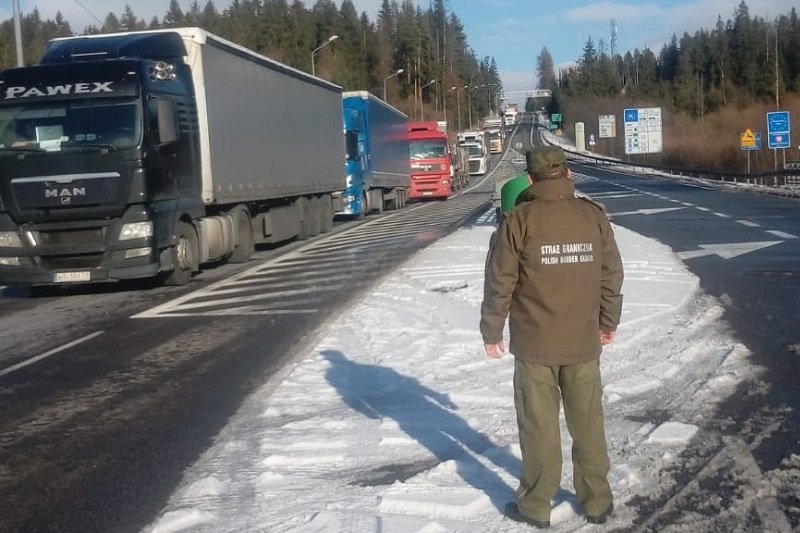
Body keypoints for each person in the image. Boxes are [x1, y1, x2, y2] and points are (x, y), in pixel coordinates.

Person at [480, 145, 624, 528]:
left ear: (530, 178)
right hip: (582, 343)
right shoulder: (593, 216)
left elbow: (500, 281)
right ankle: (597, 502)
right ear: (567, 173)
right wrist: (608, 321)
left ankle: (535, 507)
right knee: (588, 425)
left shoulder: (519, 221)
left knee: (539, 430)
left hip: (534, 347)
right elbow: (611, 274)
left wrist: (492, 330)